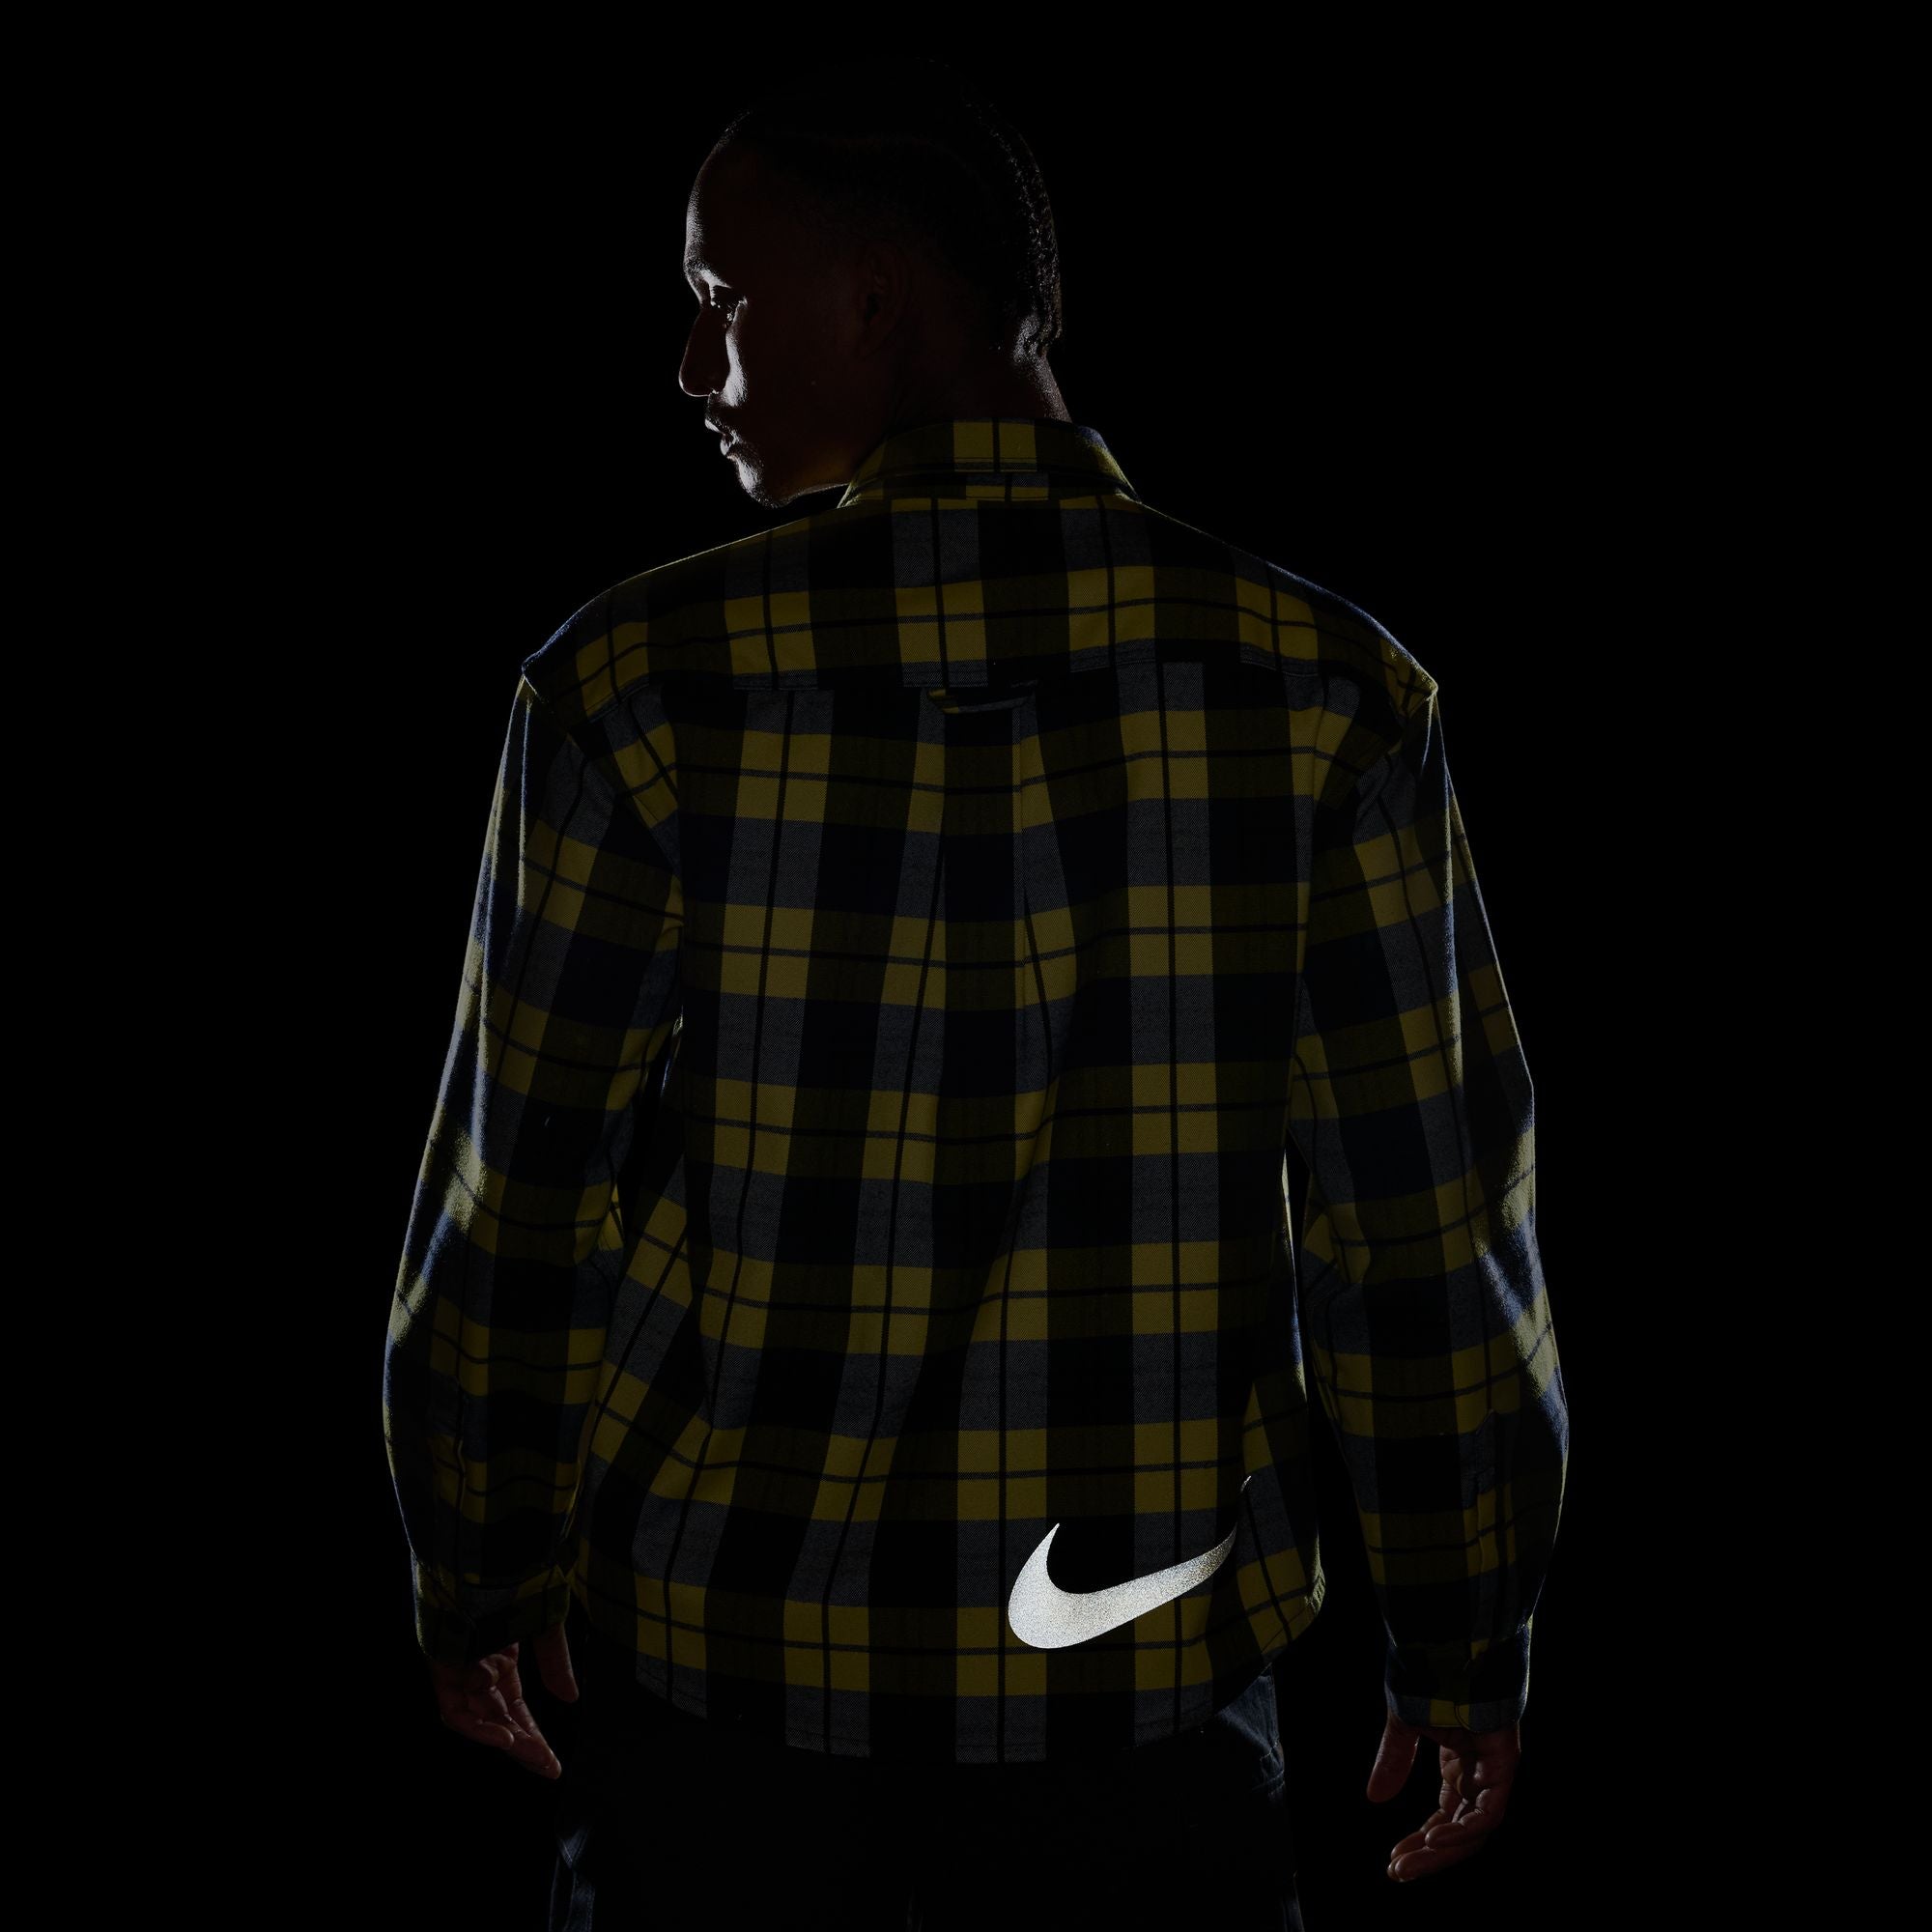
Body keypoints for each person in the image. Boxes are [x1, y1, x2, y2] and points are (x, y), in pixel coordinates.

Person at [380, 53, 1570, 1931]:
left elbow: (514, 1203)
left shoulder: (631, 687)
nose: (692, 366)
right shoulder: (1329, 694)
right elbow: (1422, 1236)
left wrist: (476, 1570)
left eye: (719, 298)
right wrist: (1465, 1634)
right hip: (1148, 1731)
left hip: (720, 1728)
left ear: (874, 301)